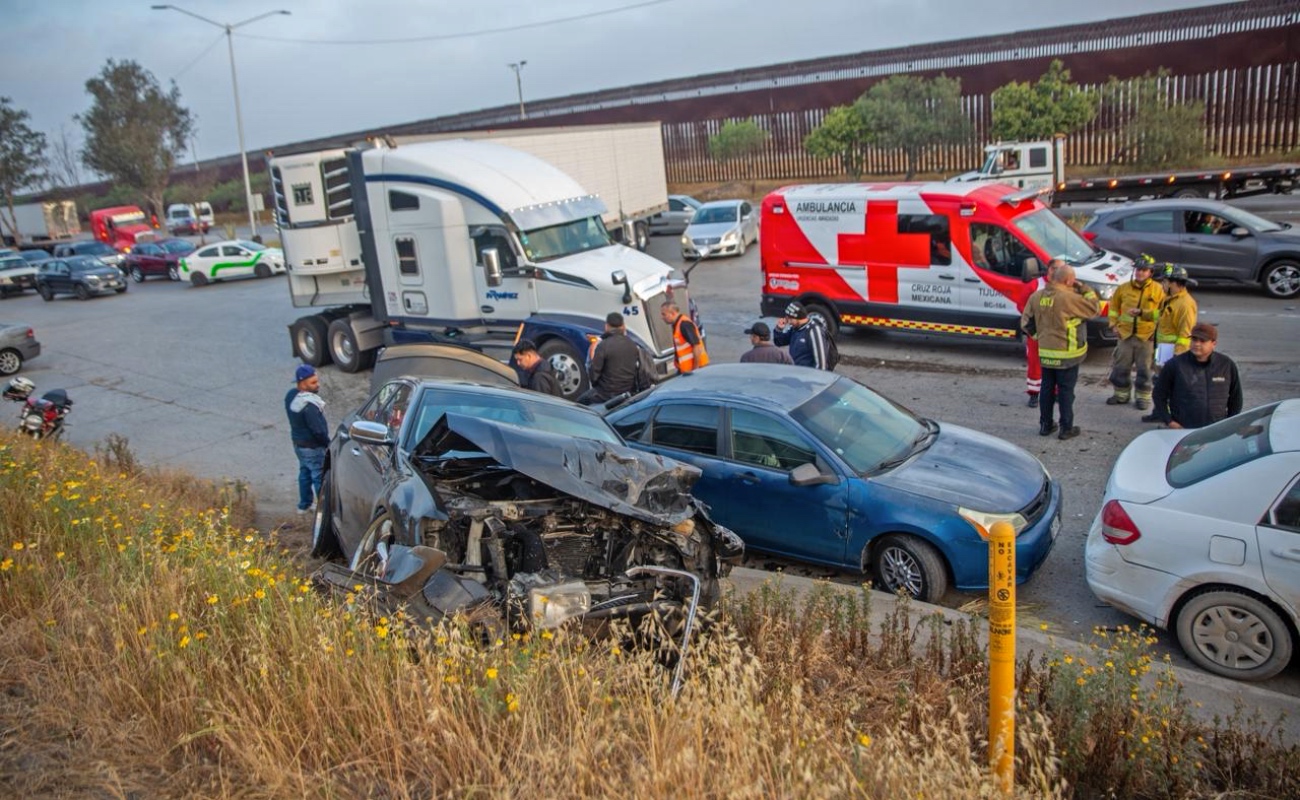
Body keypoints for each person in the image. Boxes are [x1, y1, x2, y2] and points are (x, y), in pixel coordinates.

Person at [1020, 262, 1100, 441]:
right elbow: (1095, 309)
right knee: (1065, 392)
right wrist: (1084, 288)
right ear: (1069, 281)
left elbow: (1025, 323)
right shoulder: (1068, 298)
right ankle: (1066, 428)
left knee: (1046, 389)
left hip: (1046, 353)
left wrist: (1040, 337)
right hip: (1068, 354)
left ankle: (1045, 425)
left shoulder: (1037, 296)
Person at [1144, 323, 1243, 429]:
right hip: (1183, 428)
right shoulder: (1175, 365)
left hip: (1216, 429)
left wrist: (1230, 423)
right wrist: (1169, 421)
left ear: (1213, 343)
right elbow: (1159, 395)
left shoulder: (1226, 365)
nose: (1197, 344)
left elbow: (1236, 398)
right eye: (1194, 340)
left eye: (1202, 341)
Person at [1105, 256, 1164, 410]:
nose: (1140, 273)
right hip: (1125, 336)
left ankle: (1143, 398)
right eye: (1138, 270)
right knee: (1121, 368)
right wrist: (1113, 325)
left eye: (1144, 270)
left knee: (1144, 370)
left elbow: (1163, 313)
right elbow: (1113, 307)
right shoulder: (1123, 288)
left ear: (1150, 272)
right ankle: (1121, 395)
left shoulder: (1158, 290)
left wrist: (1156, 332)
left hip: (1146, 337)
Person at [285, 364, 329, 515]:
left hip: (298, 444)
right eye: (313, 382)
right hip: (312, 447)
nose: (318, 385)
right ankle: (323, 510)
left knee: (304, 473)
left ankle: (303, 506)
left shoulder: (291, 396)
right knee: (318, 476)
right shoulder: (309, 405)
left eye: (317, 381)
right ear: (302, 384)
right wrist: (327, 443)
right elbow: (318, 430)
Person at [584, 312, 653, 403]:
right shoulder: (632, 344)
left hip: (606, 394)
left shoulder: (603, 346)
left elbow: (594, 375)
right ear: (623, 326)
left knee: (579, 403)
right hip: (629, 391)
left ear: (606, 326)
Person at [1015, 263, 1049, 407]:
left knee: (1056, 365)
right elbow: (1021, 305)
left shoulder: (1065, 286)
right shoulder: (1035, 285)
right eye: (1055, 269)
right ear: (1048, 270)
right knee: (1035, 364)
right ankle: (1034, 394)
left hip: (1056, 335)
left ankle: (1055, 393)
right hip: (1037, 332)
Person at [1153, 264, 1198, 368]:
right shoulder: (1169, 299)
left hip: (1172, 354)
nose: (1162, 284)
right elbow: (1162, 317)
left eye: (1164, 281)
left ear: (1172, 283)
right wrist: (1142, 313)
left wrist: (1177, 357)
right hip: (1162, 351)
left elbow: (1185, 335)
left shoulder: (1186, 304)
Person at [773, 302, 830, 369]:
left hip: (806, 374)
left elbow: (821, 364)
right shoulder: (794, 328)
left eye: (790, 319)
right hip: (794, 371)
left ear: (797, 317)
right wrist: (779, 329)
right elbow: (779, 342)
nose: (789, 322)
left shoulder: (814, 331)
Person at [660, 300, 708, 373]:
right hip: (687, 370)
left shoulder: (684, 325)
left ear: (672, 313)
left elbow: (696, 346)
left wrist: (695, 369)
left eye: (664, 314)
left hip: (694, 370)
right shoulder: (678, 324)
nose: (662, 317)